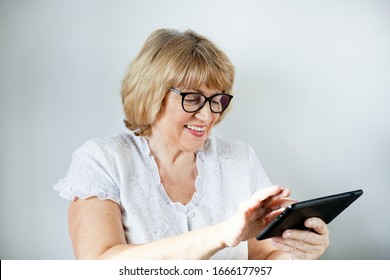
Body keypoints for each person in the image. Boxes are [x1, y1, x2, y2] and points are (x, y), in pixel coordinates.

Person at [53, 28, 329, 260]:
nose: (208, 115)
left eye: (216, 100)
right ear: (152, 94)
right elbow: (100, 264)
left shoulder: (238, 158)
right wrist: (222, 234)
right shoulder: (103, 159)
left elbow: (265, 256)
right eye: (193, 99)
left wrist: (298, 250)